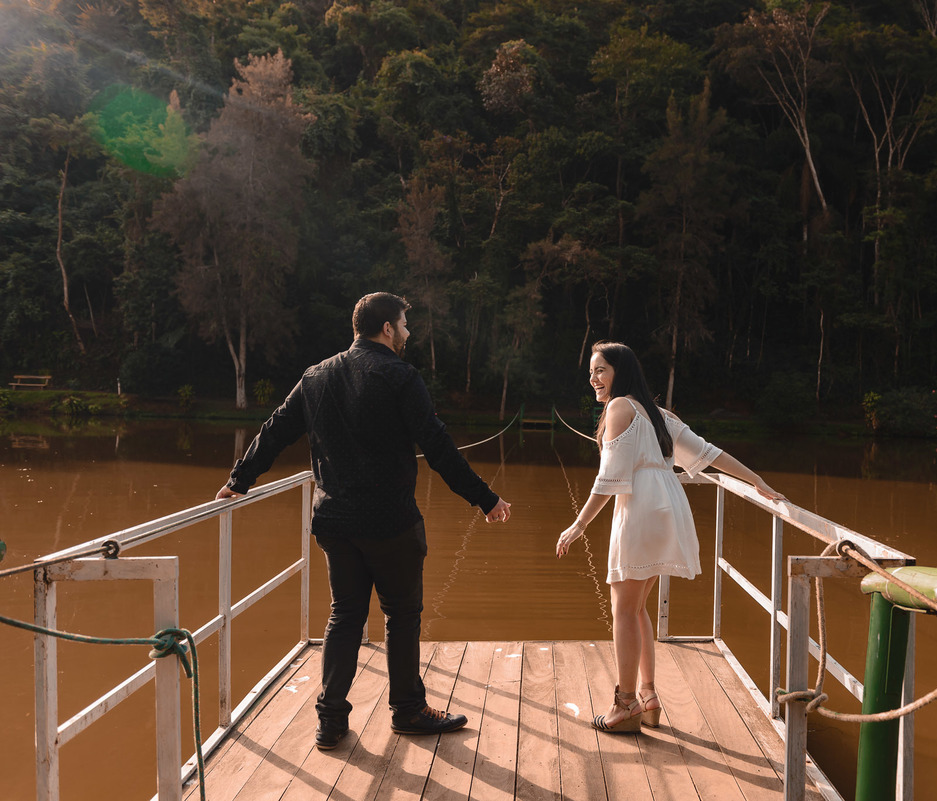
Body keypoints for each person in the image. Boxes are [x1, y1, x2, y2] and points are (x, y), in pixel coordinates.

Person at [216, 292, 511, 751]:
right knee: (401, 615)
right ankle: (408, 710)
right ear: (387, 328)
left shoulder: (315, 377)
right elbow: (438, 448)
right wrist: (485, 499)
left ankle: (330, 721)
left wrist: (240, 480)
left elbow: (275, 429)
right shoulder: (400, 376)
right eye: (405, 325)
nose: (409, 333)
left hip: (334, 521)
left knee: (344, 615)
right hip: (391, 522)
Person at [556, 341, 786, 732]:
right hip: (669, 507)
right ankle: (648, 697)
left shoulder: (619, 407)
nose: (593, 378)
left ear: (620, 371)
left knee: (624, 610)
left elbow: (609, 477)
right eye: (591, 371)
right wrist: (757, 479)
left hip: (641, 509)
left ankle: (625, 705)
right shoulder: (658, 414)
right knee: (638, 606)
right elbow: (709, 453)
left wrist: (579, 524)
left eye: (600, 370)